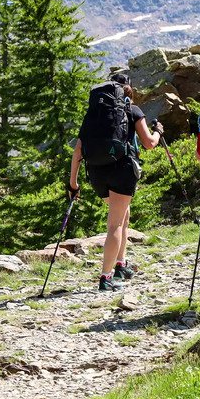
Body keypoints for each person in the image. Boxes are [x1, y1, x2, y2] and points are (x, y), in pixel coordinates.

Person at [68, 73, 164, 291]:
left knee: (122, 214)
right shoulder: (132, 110)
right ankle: (106, 276)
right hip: (121, 170)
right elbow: (149, 143)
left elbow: (78, 151)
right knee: (115, 224)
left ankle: (121, 264)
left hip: (96, 172)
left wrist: (73, 184)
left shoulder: (93, 114)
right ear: (127, 89)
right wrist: (158, 132)